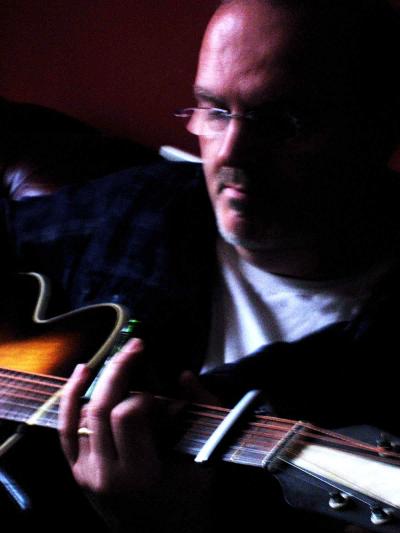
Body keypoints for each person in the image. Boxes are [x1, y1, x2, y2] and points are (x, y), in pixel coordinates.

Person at [3, 0, 400, 531]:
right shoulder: (149, 205)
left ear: (377, 130)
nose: (231, 152)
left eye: (282, 122)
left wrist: (167, 525)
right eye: (214, 110)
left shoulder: (379, 361)